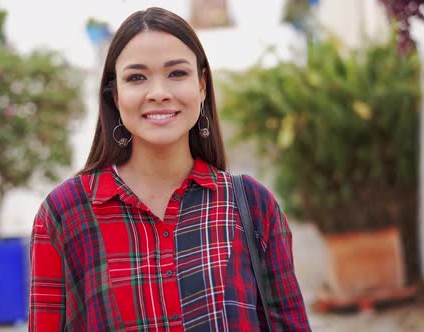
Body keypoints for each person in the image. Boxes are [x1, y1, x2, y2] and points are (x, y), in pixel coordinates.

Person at [29, 6, 311, 331]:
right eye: (136, 77)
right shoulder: (65, 214)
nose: (159, 93)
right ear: (115, 95)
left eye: (177, 73)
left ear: (202, 85)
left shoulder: (253, 206)